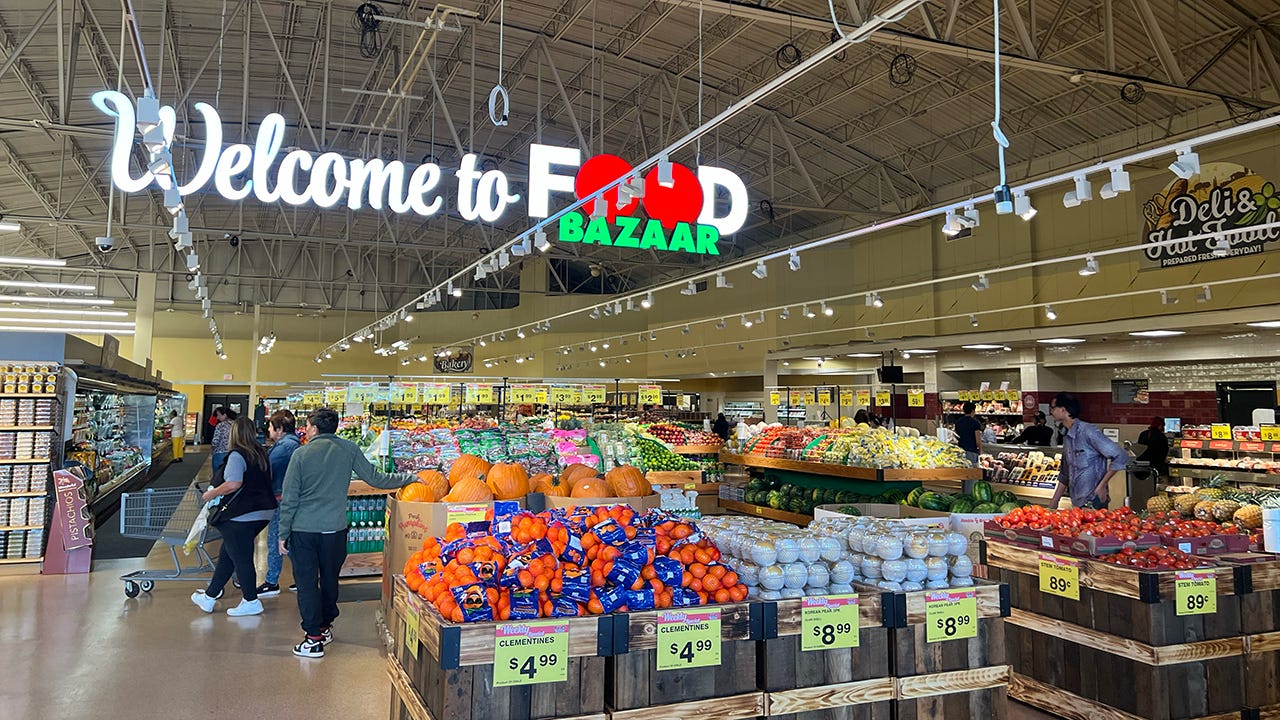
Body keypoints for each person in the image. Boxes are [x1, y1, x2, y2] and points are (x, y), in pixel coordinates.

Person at [278, 407, 417, 658]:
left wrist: (282, 534)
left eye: (308, 426)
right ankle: (325, 626)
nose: (306, 430)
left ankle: (312, 638)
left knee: (307, 583)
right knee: (330, 578)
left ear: (315, 428)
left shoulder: (300, 454)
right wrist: (410, 478)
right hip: (336, 528)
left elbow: (289, 498)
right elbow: (376, 478)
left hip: (304, 529)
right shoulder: (349, 449)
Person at [190, 416, 278, 616]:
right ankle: (209, 597)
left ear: (234, 434)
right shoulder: (261, 453)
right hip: (263, 511)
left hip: (240, 514)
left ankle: (251, 601)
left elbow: (233, 483)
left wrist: (210, 494)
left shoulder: (237, 455)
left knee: (242, 558)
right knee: (229, 554)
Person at [1049, 392, 1129, 509]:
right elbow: (1065, 474)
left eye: (1053, 407)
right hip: (1076, 504)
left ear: (1063, 410)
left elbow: (1121, 455)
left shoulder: (1088, 431)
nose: (1051, 411)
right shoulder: (1066, 435)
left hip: (1094, 502)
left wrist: (1102, 485)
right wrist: (1054, 502)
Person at [257, 409, 302, 598]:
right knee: (285, 540)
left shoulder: (285, 448)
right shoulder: (292, 444)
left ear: (280, 428)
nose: (268, 430)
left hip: (281, 498)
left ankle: (272, 581)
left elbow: (267, 469)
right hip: (286, 497)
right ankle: (302, 578)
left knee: (277, 538)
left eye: (270, 426)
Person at [210, 406, 237, 474]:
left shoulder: (220, 425)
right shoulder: (236, 424)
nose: (217, 417)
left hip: (220, 453)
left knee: (218, 475)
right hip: (233, 452)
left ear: (225, 415)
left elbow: (215, 441)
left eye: (218, 415)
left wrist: (212, 448)